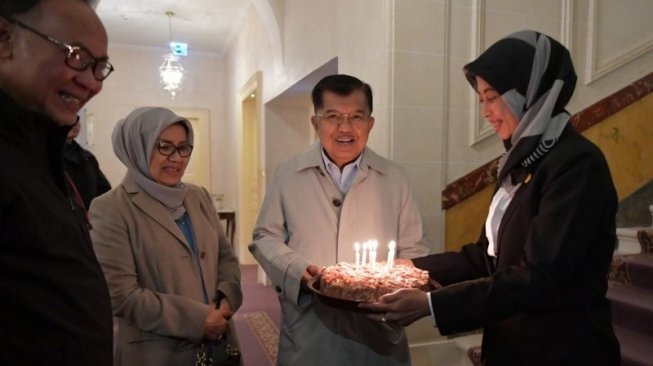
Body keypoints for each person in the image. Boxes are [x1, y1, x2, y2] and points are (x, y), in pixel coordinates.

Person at [362, 30, 621, 365]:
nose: (485, 111)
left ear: (528, 93)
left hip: (560, 350)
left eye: (493, 96)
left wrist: (431, 305)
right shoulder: (524, 160)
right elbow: (485, 258)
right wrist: (409, 269)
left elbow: (539, 277)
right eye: (481, 99)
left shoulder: (575, 164)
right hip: (512, 346)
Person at [249, 74, 428, 365]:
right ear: (315, 123)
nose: (345, 128)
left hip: (377, 330)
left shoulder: (395, 178)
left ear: (370, 123)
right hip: (312, 328)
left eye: (356, 117)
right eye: (332, 116)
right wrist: (298, 270)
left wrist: (393, 283)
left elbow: (415, 249)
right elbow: (264, 238)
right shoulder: (287, 174)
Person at [0, 0, 115, 364]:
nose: (92, 83)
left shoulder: (40, 149)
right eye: (76, 56)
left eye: (99, 67)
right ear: (4, 40)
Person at [90, 107, 243, 366]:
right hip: (159, 353)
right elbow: (121, 296)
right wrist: (198, 320)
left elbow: (226, 258)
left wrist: (227, 300)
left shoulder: (198, 196)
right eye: (164, 146)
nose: (177, 158)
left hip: (220, 344)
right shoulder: (111, 208)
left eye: (184, 147)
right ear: (137, 147)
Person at [63, 120, 111, 210]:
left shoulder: (87, 157)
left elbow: (103, 190)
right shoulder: (46, 157)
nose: (75, 123)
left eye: (78, 119)